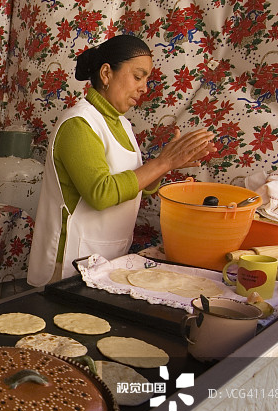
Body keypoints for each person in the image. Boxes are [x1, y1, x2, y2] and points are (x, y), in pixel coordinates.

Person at [27, 35, 216, 286]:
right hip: (69, 263)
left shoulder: (122, 124)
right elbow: (101, 193)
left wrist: (165, 165)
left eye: (146, 79)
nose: (144, 87)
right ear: (106, 73)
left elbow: (136, 185)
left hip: (106, 258)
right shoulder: (79, 124)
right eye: (138, 76)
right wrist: (163, 163)